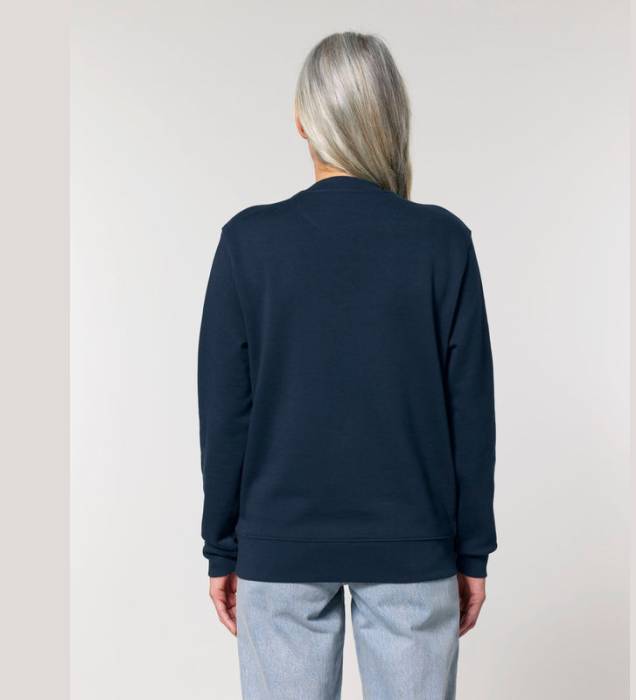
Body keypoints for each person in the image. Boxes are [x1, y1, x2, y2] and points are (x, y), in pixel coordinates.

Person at [198, 31, 497, 700]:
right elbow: (471, 412)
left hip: (279, 543)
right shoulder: (442, 242)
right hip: (414, 543)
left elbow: (225, 414)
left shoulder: (249, 242)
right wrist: (471, 550)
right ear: (390, 118)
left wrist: (224, 546)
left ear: (302, 120)